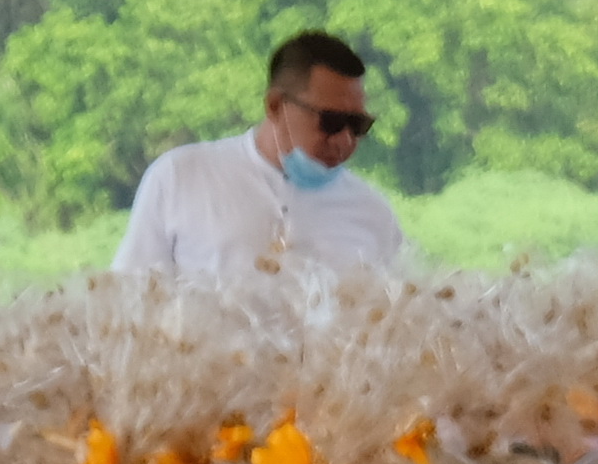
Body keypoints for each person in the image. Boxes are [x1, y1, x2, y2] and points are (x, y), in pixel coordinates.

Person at [113, 31, 410, 279]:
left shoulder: (372, 212)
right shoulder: (181, 177)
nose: (345, 140)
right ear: (275, 106)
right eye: (330, 122)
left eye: (358, 125)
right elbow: (129, 303)